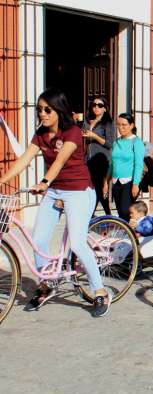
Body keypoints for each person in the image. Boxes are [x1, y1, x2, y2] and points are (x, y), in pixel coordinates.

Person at [0, 88, 109, 316]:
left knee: (77, 245)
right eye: (40, 109)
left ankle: (100, 292)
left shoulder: (73, 132)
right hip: (54, 192)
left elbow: (60, 161)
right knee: (38, 241)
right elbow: (24, 160)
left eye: (47, 109)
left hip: (79, 191)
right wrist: (2, 180)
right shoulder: (40, 134)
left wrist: (44, 181)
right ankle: (45, 285)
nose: (43, 114)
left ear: (59, 109)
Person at [104, 113, 145, 221]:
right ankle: (126, 234)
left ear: (131, 125)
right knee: (120, 211)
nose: (120, 127)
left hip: (129, 182)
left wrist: (136, 184)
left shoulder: (136, 142)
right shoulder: (116, 142)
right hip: (115, 181)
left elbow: (138, 164)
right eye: (118, 124)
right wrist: (106, 182)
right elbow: (112, 163)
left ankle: (133, 233)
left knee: (125, 210)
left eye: (124, 125)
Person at [82, 95, 116, 215]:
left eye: (100, 105)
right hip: (88, 160)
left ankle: (100, 214)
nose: (96, 107)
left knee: (99, 188)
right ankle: (103, 214)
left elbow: (110, 143)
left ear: (105, 108)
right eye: (94, 105)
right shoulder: (87, 121)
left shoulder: (107, 123)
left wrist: (94, 136)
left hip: (101, 160)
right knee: (92, 188)